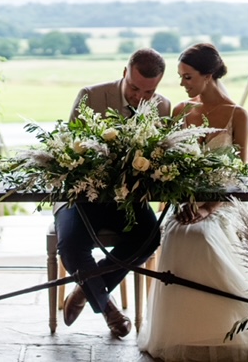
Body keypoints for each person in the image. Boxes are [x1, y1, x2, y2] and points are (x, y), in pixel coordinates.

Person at [137, 43, 248, 361]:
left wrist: (208, 208)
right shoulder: (180, 111)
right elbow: (169, 166)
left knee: (203, 237)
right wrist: (185, 202)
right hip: (186, 203)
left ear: (209, 74)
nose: (182, 83)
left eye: (187, 77)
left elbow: (239, 175)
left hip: (224, 204)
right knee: (178, 233)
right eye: (181, 76)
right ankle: (185, 333)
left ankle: (225, 331)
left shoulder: (237, 115)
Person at [56, 48, 171, 338]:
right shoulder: (91, 96)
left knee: (149, 235)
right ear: (124, 73)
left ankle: (86, 291)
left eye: (149, 91)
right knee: (71, 246)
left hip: (126, 199)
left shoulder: (162, 106)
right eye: (134, 88)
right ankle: (108, 308)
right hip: (82, 197)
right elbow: (68, 149)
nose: (140, 97)